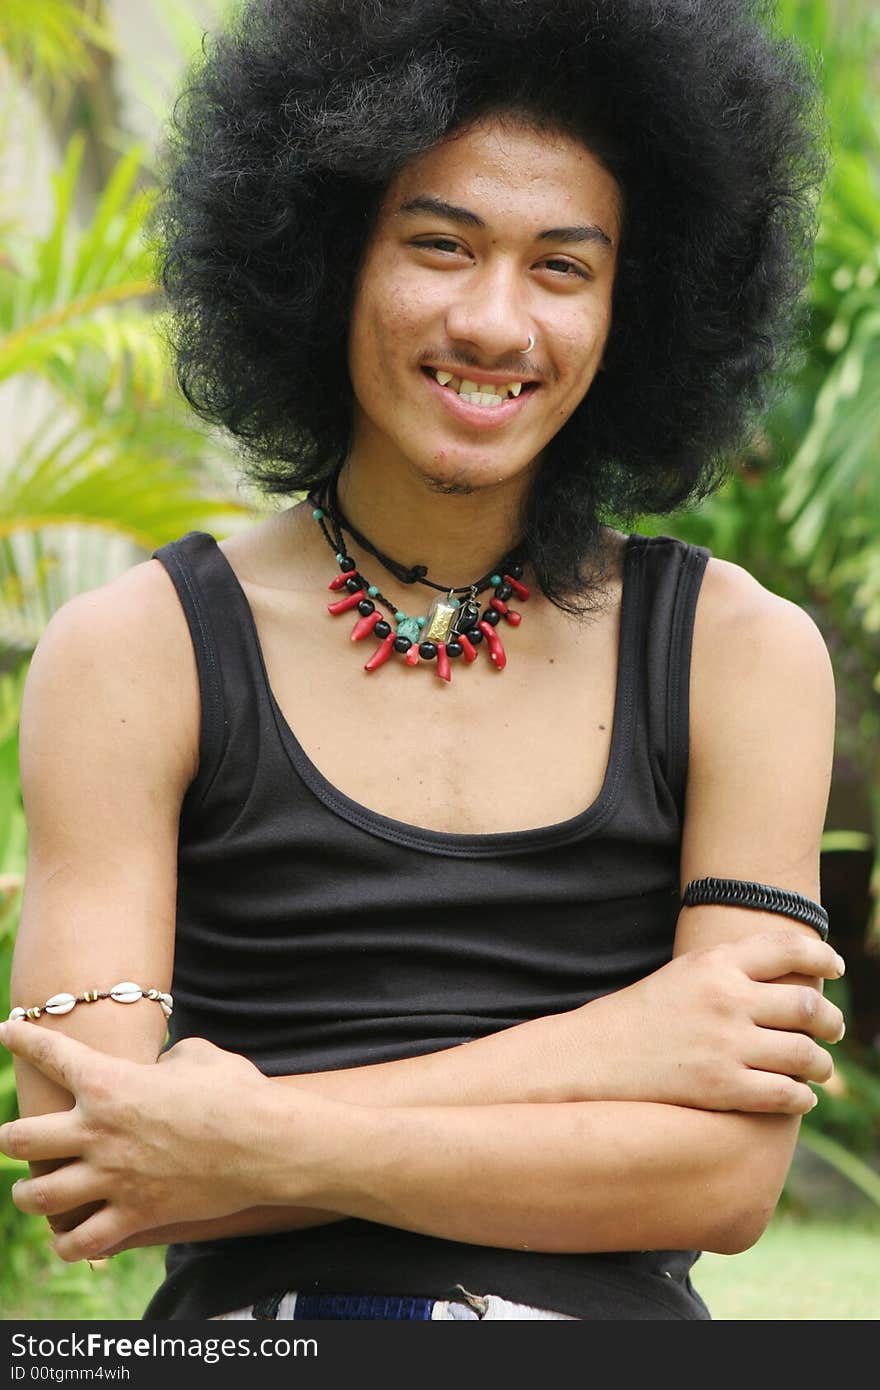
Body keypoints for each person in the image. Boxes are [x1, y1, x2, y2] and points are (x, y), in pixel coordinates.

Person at [0, 0, 846, 1322]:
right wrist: (612, 1049)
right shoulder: (136, 654)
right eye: (441, 246)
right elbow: (90, 1160)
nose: (496, 323)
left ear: (638, 303)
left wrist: (251, 1136)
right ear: (328, 256)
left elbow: (727, 1177)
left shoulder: (740, 657)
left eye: (563, 268)